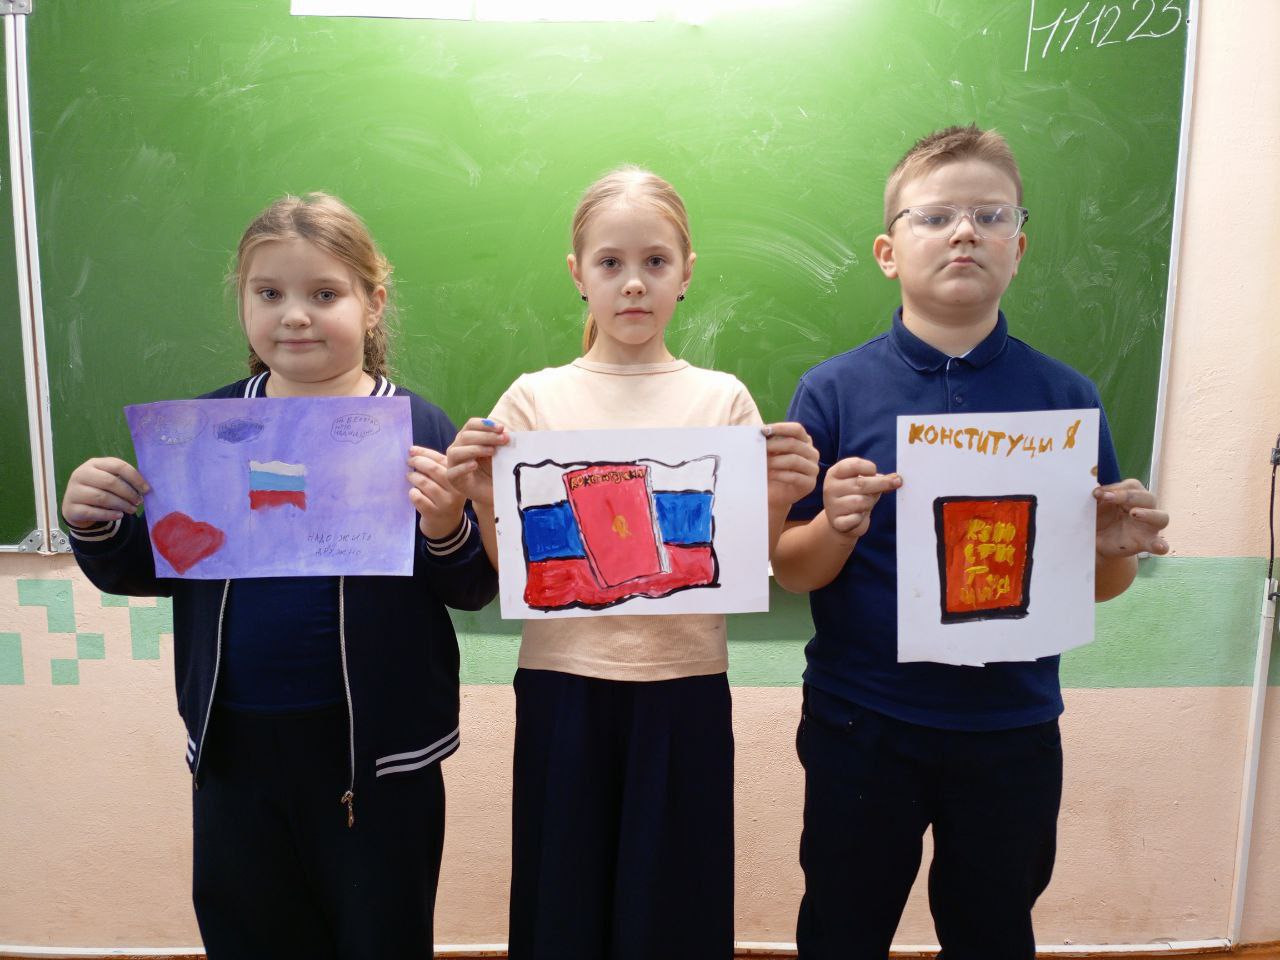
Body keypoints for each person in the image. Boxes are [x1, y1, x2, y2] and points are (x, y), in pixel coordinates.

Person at [61, 192, 497, 959]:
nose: (294, 316)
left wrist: (444, 527)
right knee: (252, 934)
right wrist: (94, 522)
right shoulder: (204, 430)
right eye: (269, 294)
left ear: (373, 304)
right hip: (236, 752)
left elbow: (468, 588)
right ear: (244, 303)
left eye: (324, 294)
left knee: (382, 937)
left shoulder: (418, 427)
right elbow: (157, 565)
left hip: (378, 761)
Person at [772, 125, 1171, 959]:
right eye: (935, 217)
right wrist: (835, 526)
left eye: (991, 216)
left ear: (1018, 248)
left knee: (993, 930)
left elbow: (1102, 587)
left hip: (1011, 728)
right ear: (888, 252)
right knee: (842, 927)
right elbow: (791, 567)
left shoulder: (1065, 397)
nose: (965, 232)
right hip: (862, 718)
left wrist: (1113, 549)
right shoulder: (833, 390)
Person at [445, 166, 819, 960]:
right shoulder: (533, 399)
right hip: (563, 685)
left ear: (687, 273)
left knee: (673, 905)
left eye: (655, 261)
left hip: (684, 684)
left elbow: (743, 562)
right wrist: (479, 493)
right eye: (610, 263)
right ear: (577, 274)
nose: (634, 283)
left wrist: (781, 496)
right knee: (563, 902)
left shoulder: (722, 401)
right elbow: (511, 571)